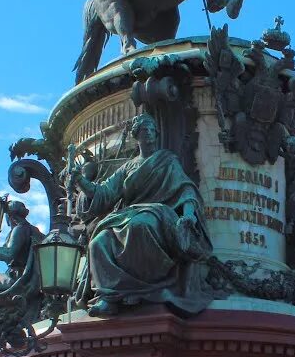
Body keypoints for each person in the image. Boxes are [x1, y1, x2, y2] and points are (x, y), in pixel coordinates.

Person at [70, 113, 213, 316]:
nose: (149, 135)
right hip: (128, 214)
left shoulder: (167, 160)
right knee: (98, 242)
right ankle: (108, 296)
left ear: (156, 134)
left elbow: (186, 190)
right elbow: (104, 193)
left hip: (160, 212)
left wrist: (188, 215)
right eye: (144, 131)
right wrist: (80, 181)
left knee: (140, 226)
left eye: (152, 131)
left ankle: (142, 289)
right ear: (136, 137)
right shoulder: (128, 167)